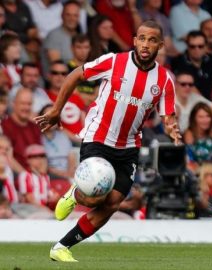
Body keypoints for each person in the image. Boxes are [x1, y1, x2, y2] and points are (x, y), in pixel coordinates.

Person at [35, 20, 180, 262]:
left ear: (160, 45)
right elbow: (75, 75)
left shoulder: (164, 80)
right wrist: (56, 110)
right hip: (98, 137)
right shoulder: (114, 61)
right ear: (134, 40)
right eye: (142, 38)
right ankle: (75, 194)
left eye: (152, 40)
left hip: (129, 146)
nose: (146, 44)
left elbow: (168, 115)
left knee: (113, 202)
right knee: (95, 197)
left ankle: (62, 246)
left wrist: (172, 128)